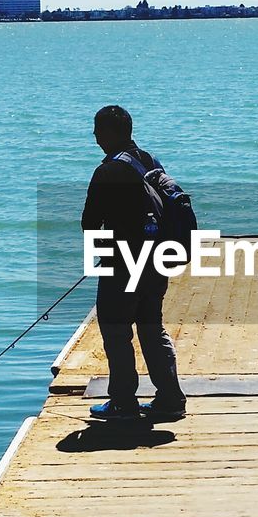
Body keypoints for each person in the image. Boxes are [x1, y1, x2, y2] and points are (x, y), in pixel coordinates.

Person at [81, 104, 187, 422]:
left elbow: (89, 222)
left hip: (124, 264)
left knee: (116, 332)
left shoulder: (108, 170)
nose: (95, 137)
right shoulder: (149, 161)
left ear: (111, 133)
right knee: (152, 328)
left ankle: (123, 402)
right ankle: (170, 399)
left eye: (98, 130)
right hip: (157, 260)